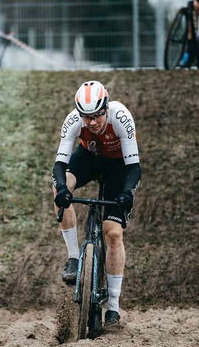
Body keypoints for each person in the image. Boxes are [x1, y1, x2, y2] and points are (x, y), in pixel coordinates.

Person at [52, 81, 142, 326]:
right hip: (90, 158)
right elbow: (59, 165)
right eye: (86, 117)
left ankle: (113, 305)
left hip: (118, 166)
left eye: (96, 116)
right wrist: (62, 189)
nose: (91, 123)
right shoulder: (73, 121)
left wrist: (127, 194)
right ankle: (73, 257)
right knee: (59, 186)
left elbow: (134, 167)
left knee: (112, 233)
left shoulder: (121, 117)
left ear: (106, 109)